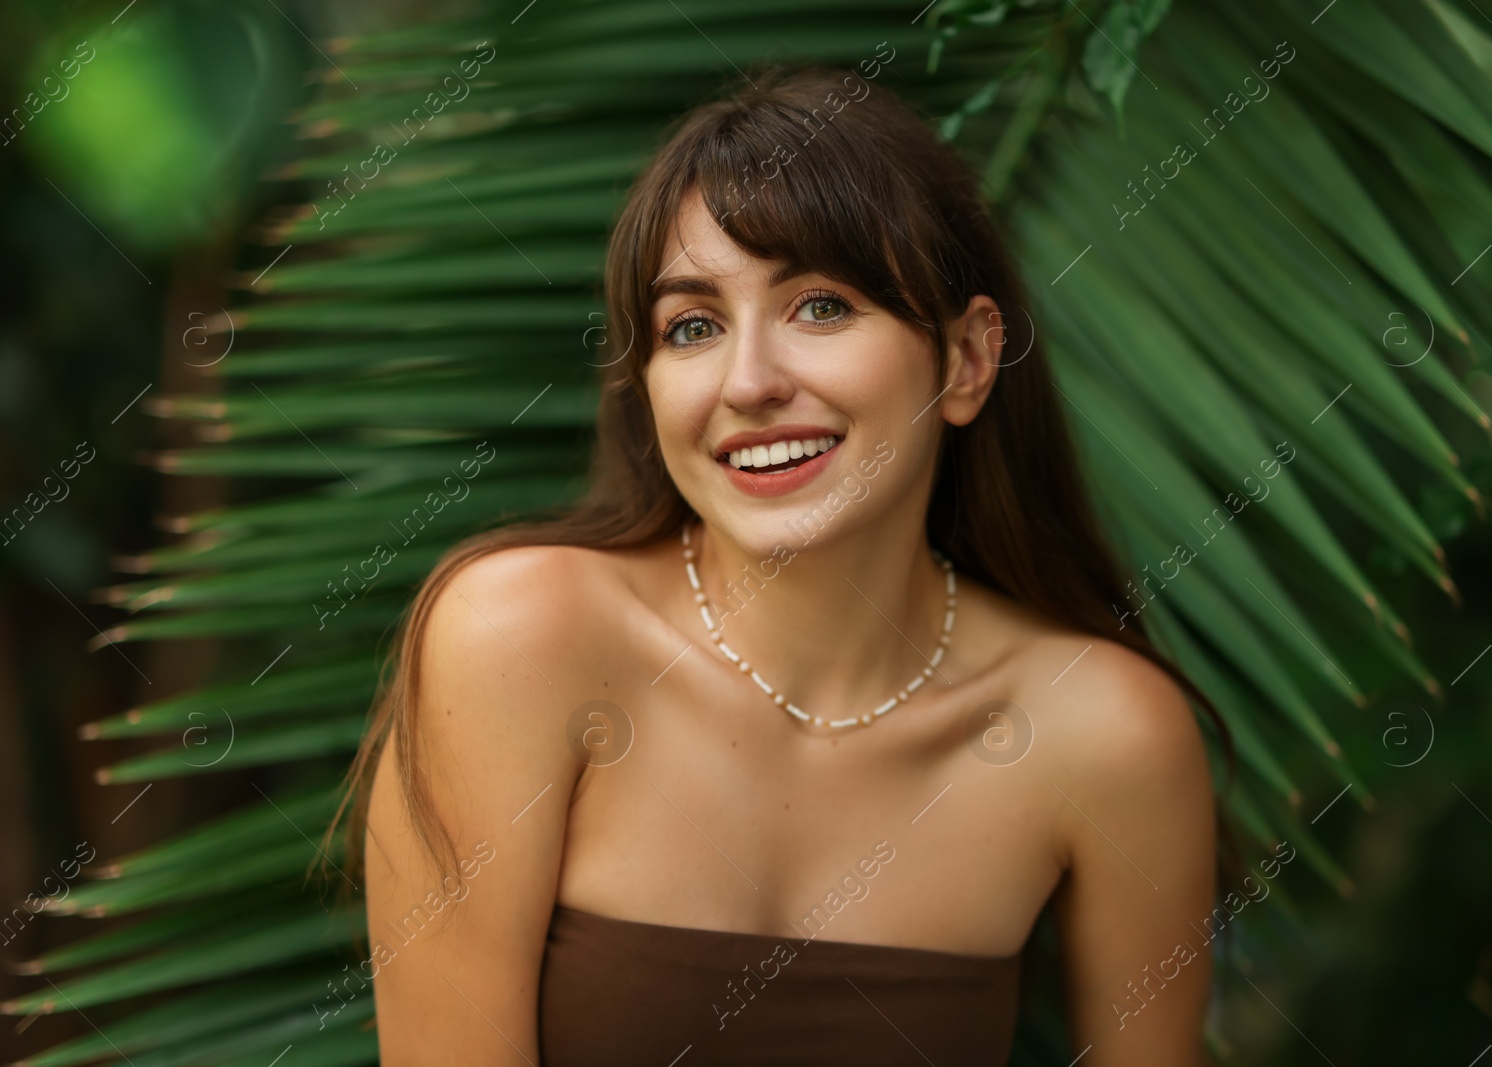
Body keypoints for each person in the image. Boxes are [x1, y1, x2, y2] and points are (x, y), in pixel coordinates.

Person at [341, 63, 1227, 1066]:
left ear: (970, 360)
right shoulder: (520, 637)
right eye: (693, 325)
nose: (749, 381)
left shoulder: (1103, 731)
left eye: (821, 306)